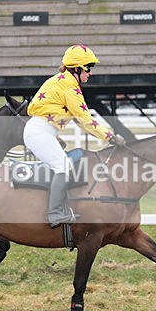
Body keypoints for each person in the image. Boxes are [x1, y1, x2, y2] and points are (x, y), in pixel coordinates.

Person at [24, 44, 125, 227]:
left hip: (42, 130)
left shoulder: (62, 81)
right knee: (63, 167)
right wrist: (110, 137)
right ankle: (54, 213)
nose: (90, 73)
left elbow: (78, 120)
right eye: (88, 68)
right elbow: (86, 120)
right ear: (77, 68)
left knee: (62, 166)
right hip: (40, 132)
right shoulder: (70, 87)